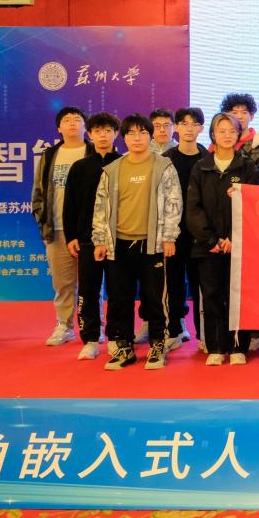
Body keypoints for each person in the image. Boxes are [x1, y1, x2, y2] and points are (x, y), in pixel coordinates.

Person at [90, 114, 183, 371]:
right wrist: (100, 240)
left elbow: (174, 203)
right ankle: (124, 347)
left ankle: (157, 345)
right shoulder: (112, 169)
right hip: (118, 244)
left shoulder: (163, 165)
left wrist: (169, 237)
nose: (137, 138)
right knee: (119, 299)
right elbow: (101, 207)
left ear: (150, 136)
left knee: (155, 298)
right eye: (131, 133)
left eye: (142, 133)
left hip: (152, 244)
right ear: (124, 138)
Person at [185, 112, 259, 366]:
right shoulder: (201, 167)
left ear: (239, 134)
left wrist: (233, 238)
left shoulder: (247, 167)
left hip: (240, 246)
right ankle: (216, 347)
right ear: (213, 134)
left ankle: (239, 346)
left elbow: (253, 206)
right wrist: (212, 241)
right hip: (207, 247)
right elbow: (193, 208)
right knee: (211, 296)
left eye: (232, 131)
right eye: (222, 131)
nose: (227, 135)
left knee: (239, 297)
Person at [62, 112, 120, 361]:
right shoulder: (80, 167)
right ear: (90, 134)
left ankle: (116, 337)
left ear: (116, 134)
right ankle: (91, 339)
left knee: (118, 291)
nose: (103, 136)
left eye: (108, 131)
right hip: (87, 240)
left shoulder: (124, 164)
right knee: (88, 290)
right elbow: (70, 205)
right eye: (97, 131)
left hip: (119, 239)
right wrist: (71, 236)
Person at [32, 106, 91, 346]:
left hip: (88, 231)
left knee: (92, 283)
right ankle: (64, 326)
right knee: (62, 283)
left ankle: (93, 327)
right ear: (59, 128)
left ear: (86, 126)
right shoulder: (49, 155)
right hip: (57, 229)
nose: (73, 123)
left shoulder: (93, 152)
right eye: (67, 120)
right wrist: (43, 220)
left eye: (77, 119)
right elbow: (38, 192)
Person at [164, 107, 206, 350]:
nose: (189, 128)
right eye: (184, 123)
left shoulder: (208, 158)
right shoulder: (165, 159)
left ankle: (204, 335)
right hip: (173, 233)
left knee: (202, 284)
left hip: (200, 233)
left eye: (194, 124)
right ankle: (175, 330)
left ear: (201, 128)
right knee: (174, 282)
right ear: (176, 127)